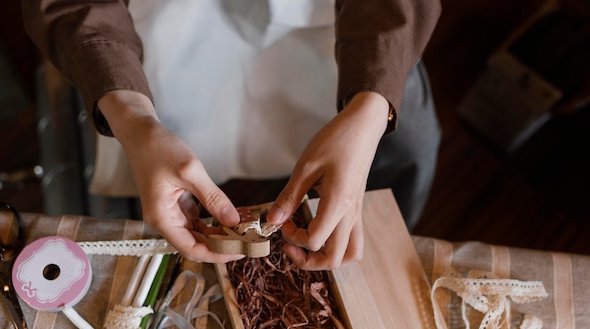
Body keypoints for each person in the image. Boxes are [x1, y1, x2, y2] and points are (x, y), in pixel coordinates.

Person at [22, 0, 441, 270]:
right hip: (174, 22)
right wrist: (134, 119)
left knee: (410, 140)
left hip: (344, 20)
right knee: (167, 160)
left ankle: (381, 242)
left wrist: (369, 110)